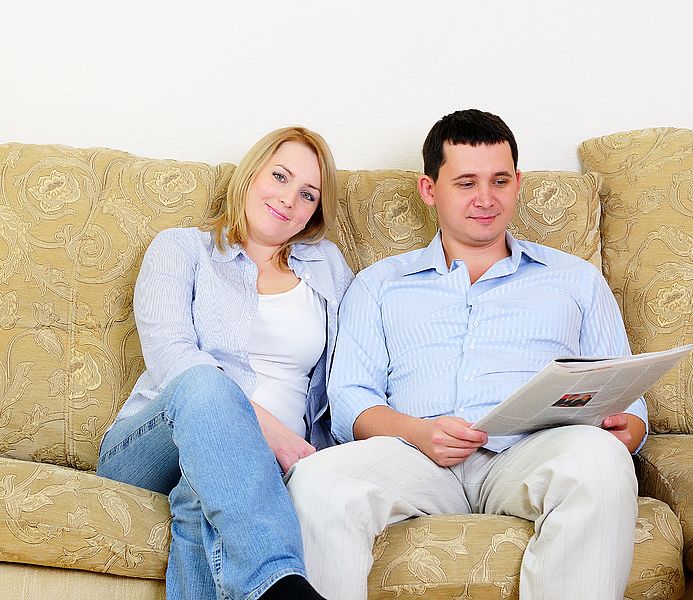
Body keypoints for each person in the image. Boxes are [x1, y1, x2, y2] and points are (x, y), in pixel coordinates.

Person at [285, 109, 647, 599]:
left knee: (600, 458)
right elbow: (350, 399)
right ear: (429, 189)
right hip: (415, 458)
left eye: (500, 181)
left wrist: (628, 428)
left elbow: (625, 392)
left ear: (518, 183)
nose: (485, 199)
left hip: (529, 454)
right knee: (317, 481)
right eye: (466, 183)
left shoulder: (576, 279)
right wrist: (418, 432)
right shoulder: (379, 285)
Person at [96, 126, 353, 600]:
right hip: (152, 443)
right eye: (279, 176)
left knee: (204, 492)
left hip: (266, 462)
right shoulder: (181, 249)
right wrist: (270, 433)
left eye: (308, 194)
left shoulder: (328, 267)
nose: (289, 199)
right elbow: (173, 357)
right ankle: (281, 585)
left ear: (315, 212)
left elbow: (351, 369)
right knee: (204, 385)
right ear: (252, 173)